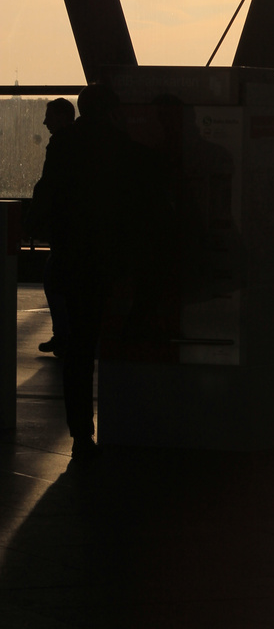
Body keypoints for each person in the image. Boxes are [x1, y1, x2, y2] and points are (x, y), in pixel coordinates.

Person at [39, 83, 138, 461]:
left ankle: (82, 433)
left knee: (79, 350)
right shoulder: (124, 148)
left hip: (76, 259)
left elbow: (49, 196)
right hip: (113, 260)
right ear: (112, 110)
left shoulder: (63, 145)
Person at [30, 97, 76, 357]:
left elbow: (49, 185)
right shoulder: (85, 143)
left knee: (54, 279)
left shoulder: (61, 144)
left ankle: (63, 335)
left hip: (66, 228)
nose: (45, 121)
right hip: (80, 228)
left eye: (49, 116)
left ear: (61, 116)